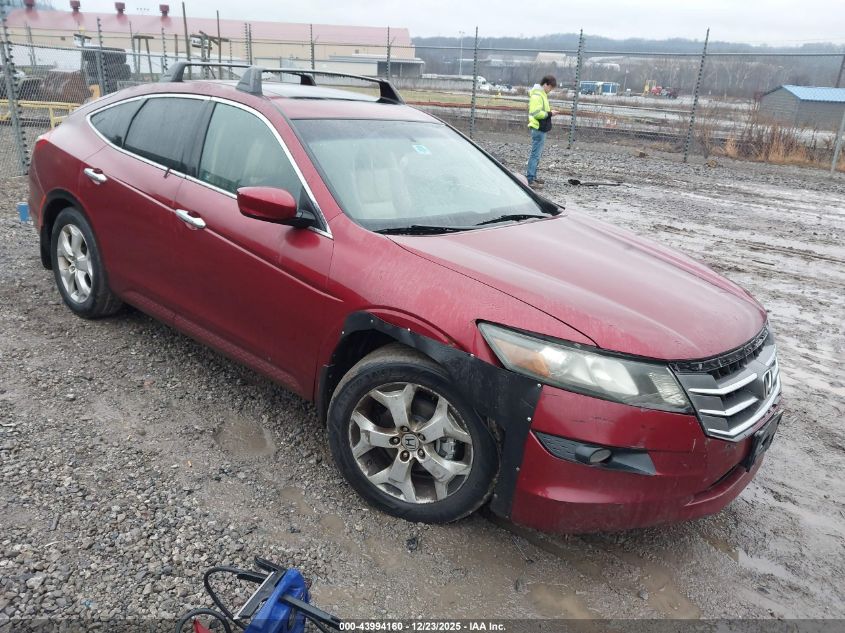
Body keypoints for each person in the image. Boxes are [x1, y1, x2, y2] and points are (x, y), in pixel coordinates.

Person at [526, 75, 560, 188]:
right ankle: (530, 179)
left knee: (537, 154)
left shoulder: (541, 94)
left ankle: (533, 177)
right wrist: (550, 113)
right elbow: (536, 113)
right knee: (535, 155)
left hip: (540, 127)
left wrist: (549, 113)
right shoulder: (538, 95)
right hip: (538, 128)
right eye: (550, 88)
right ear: (546, 84)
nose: (550, 90)